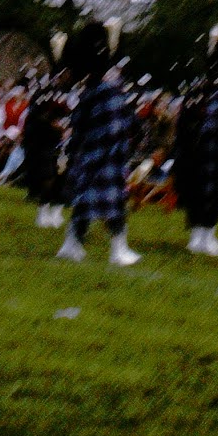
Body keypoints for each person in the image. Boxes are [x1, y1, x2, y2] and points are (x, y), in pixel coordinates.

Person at [55, 19, 143, 267]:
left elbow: (78, 121)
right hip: (108, 154)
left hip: (88, 152)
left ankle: (72, 244)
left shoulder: (91, 87)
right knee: (113, 205)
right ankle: (118, 249)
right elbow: (116, 128)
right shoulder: (110, 88)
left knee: (86, 202)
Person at [173, 27, 218, 256]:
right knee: (210, 196)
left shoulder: (197, 90)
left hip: (194, 153)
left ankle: (198, 237)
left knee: (198, 195)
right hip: (212, 154)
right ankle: (205, 237)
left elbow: (182, 123)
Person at [22, 37, 73, 228]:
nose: (67, 76)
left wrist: (68, 127)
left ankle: (56, 211)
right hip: (44, 139)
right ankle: (43, 211)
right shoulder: (45, 90)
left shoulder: (69, 91)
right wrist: (54, 124)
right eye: (64, 73)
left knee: (62, 176)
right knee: (48, 176)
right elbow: (37, 113)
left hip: (62, 140)